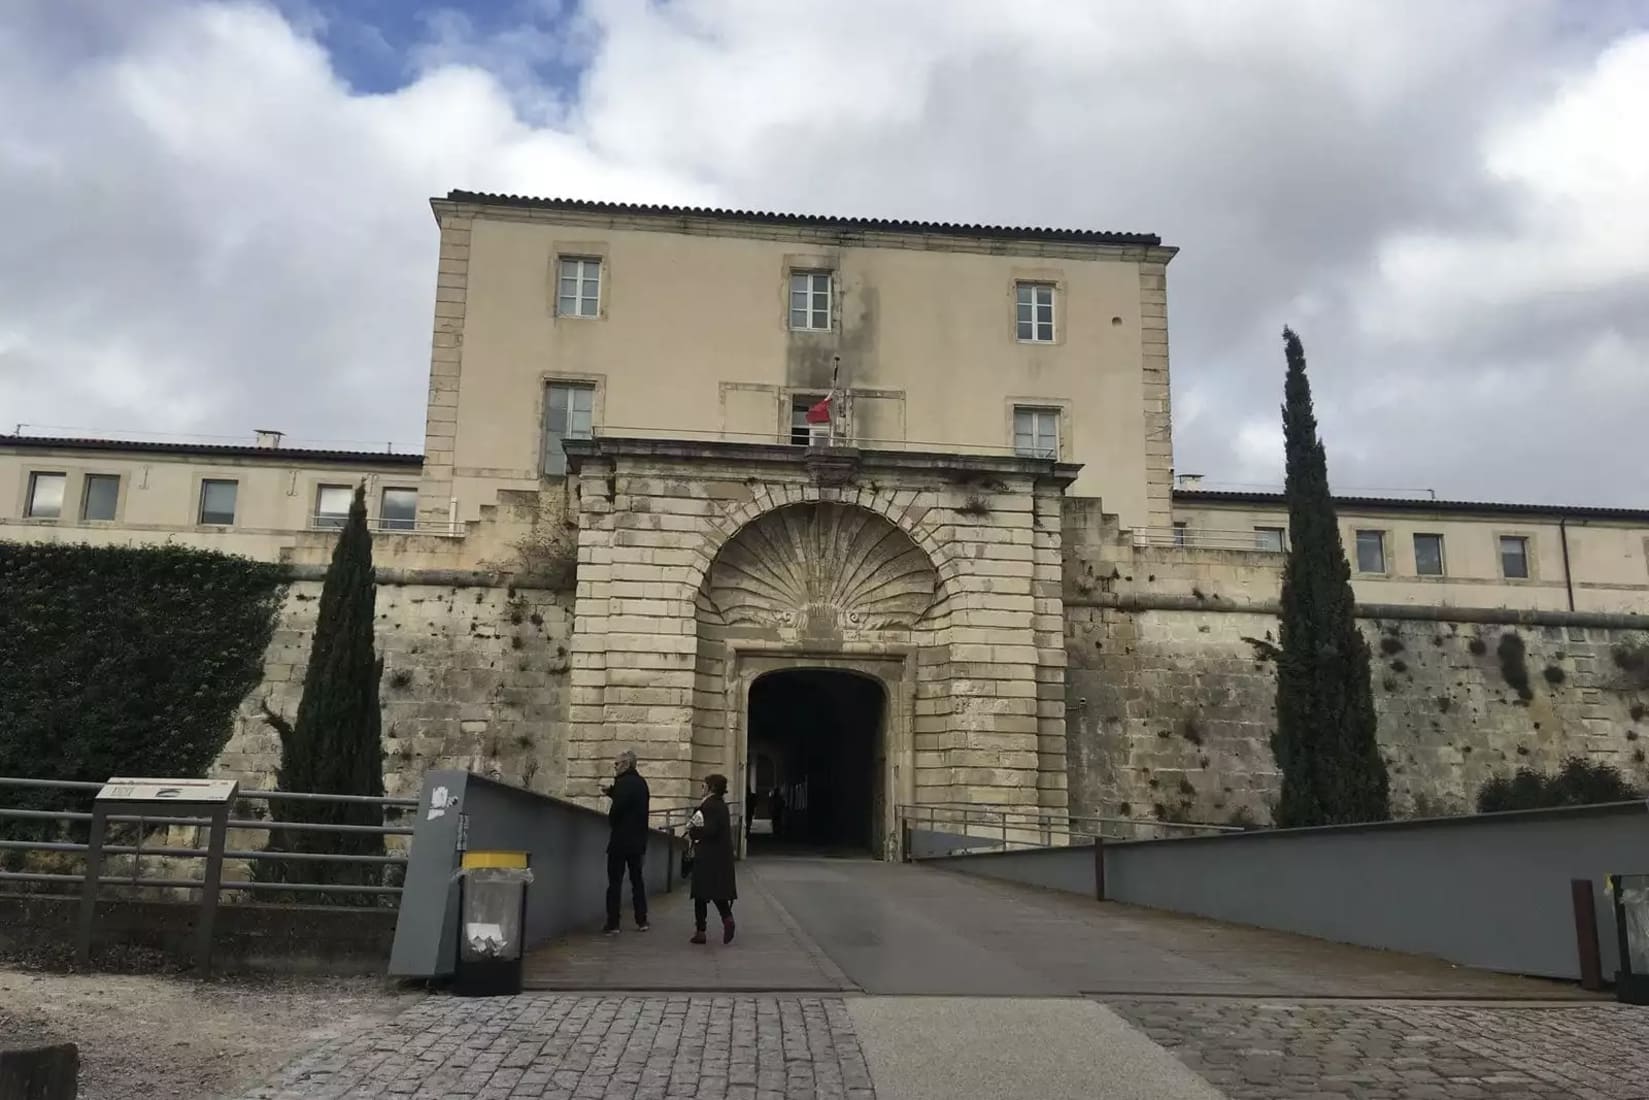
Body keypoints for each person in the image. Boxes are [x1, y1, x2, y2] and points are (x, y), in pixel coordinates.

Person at [602, 749, 649, 934]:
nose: (615, 767)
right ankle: (642, 920)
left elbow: (618, 810)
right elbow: (633, 803)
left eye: (617, 764)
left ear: (626, 764)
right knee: (637, 881)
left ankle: (613, 923)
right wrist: (613, 792)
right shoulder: (641, 784)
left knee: (615, 882)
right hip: (638, 841)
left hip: (620, 841)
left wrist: (613, 820)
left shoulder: (622, 783)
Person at [687, 773, 737, 945]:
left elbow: (707, 830)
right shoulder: (721, 806)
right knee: (718, 893)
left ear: (711, 787)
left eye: (704, 785)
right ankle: (727, 918)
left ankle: (701, 931)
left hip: (706, 855)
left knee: (700, 895)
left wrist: (693, 831)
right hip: (721, 856)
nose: (702, 788)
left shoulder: (708, 805)